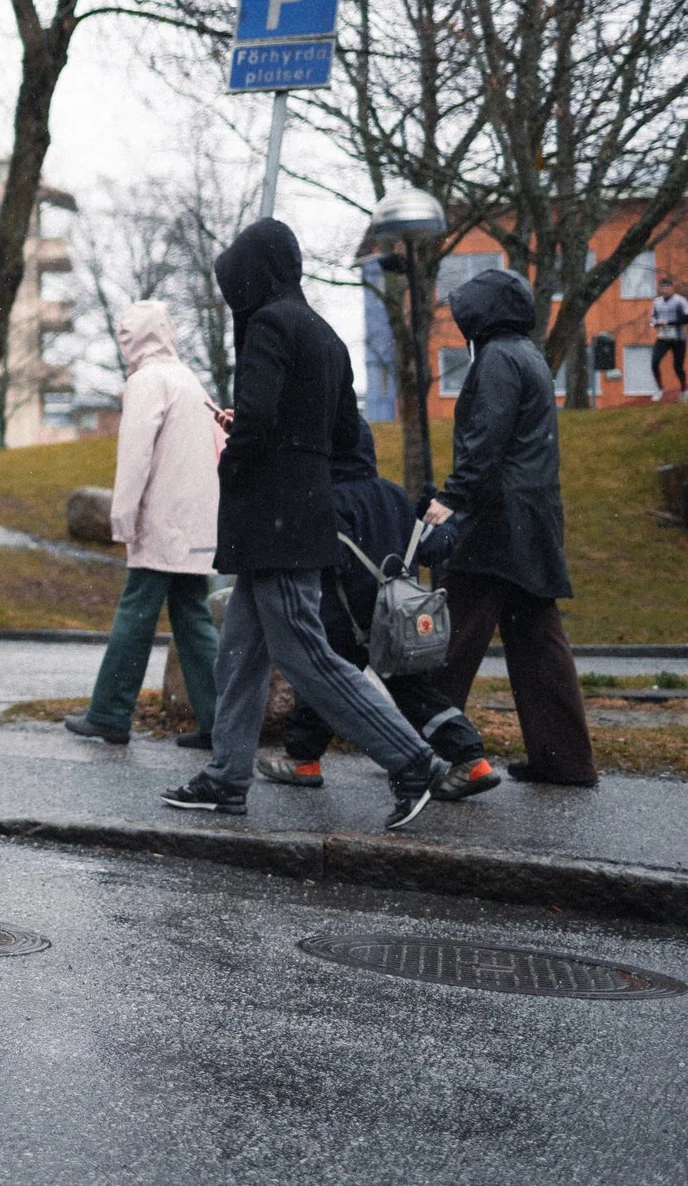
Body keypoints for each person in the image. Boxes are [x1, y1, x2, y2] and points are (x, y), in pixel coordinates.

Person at [161, 219, 452, 831]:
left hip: (274, 520)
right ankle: (226, 777)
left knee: (306, 656)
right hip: (299, 512)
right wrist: (292, 453)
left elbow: (259, 422)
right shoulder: (325, 335)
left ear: (254, 273)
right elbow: (343, 434)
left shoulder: (268, 325)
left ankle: (415, 761)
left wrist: (237, 457)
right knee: (240, 655)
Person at [257, 416, 499, 800]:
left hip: (345, 617)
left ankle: (303, 759)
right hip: (397, 618)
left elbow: (325, 558)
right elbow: (434, 548)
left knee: (322, 678)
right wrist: (438, 519)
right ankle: (471, 758)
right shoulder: (394, 495)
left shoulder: (327, 499)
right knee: (414, 693)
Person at [423, 267, 598, 785]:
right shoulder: (529, 355)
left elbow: (486, 439)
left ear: (482, 313)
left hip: (496, 521)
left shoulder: (496, 358)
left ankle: (417, 748)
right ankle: (566, 760)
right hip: (533, 518)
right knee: (539, 642)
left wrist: (451, 498)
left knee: (450, 640)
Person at [64, 300, 220, 749]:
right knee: (193, 618)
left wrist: (123, 516)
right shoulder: (189, 380)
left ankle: (109, 714)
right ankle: (219, 723)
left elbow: (135, 457)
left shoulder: (147, 381)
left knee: (135, 614)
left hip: (161, 519)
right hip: (196, 521)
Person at [653, 275, 687, 400]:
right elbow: (654, 317)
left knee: (678, 367)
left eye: (667, 287)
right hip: (663, 337)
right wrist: (655, 323)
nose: (665, 290)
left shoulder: (680, 301)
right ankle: (660, 389)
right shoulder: (657, 302)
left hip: (678, 337)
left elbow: (686, 318)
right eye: (662, 288)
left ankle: (684, 389)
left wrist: (669, 323)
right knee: (654, 362)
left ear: (672, 288)